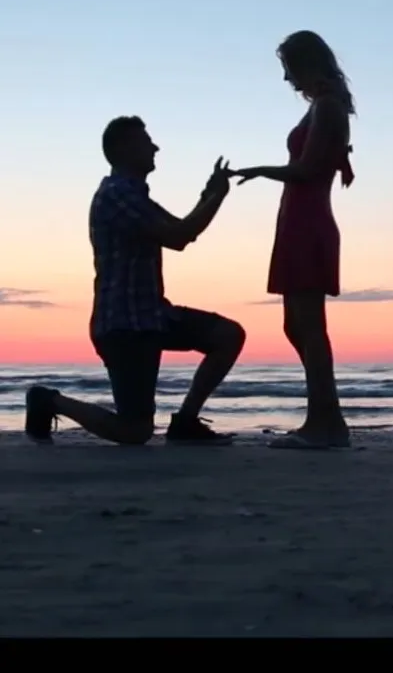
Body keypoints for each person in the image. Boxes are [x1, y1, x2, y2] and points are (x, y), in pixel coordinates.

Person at [25, 116, 245, 446]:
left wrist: (210, 195)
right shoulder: (117, 195)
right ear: (123, 148)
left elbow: (183, 230)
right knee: (135, 431)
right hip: (124, 325)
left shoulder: (133, 195)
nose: (155, 147)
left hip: (153, 316)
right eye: (146, 142)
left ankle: (185, 422)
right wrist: (216, 197)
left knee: (228, 335)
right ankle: (49, 400)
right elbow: (179, 235)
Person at [230, 30, 355, 449]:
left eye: (288, 69)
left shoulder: (327, 107)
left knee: (310, 326)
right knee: (294, 326)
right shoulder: (322, 107)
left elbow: (306, 170)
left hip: (309, 222)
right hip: (295, 222)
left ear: (305, 64)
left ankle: (327, 422)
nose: (286, 80)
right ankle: (324, 412)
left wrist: (261, 170)